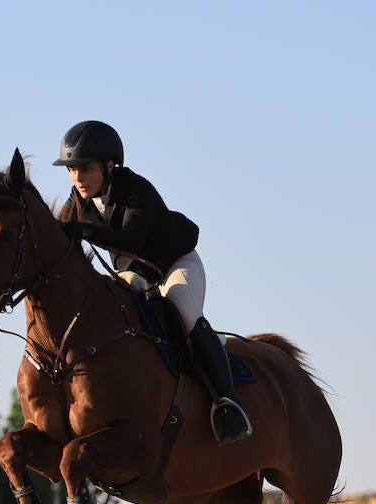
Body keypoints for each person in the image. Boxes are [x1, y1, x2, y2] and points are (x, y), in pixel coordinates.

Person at [53, 120, 253, 445]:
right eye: (72, 171)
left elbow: (130, 239)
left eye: (85, 169)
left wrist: (85, 231)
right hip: (134, 275)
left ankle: (228, 405)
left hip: (174, 266)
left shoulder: (136, 189)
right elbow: (60, 237)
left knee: (186, 317)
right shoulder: (78, 202)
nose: (77, 178)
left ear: (108, 165)